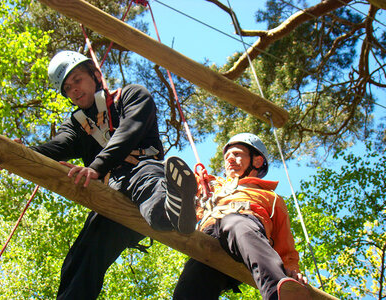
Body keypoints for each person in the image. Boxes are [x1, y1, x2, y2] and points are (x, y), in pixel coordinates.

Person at [25, 50, 197, 299]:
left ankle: (174, 207)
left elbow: (129, 131)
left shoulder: (130, 96)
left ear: (95, 75)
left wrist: (95, 168)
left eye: (77, 79)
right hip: (111, 195)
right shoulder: (77, 125)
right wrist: (23, 151)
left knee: (149, 185)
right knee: (81, 257)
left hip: (142, 169)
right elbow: (58, 146)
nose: (74, 90)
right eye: (67, 88)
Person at [173, 133, 311, 300]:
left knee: (237, 224)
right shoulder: (212, 185)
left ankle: (277, 292)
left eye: (237, 154)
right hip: (208, 240)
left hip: (245, 237)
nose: (230, 159)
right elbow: (183, 182)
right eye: (227, 156)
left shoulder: (271, 197)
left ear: (257, 161)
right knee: (191, 281)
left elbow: (284, 239)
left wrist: (292, 269)